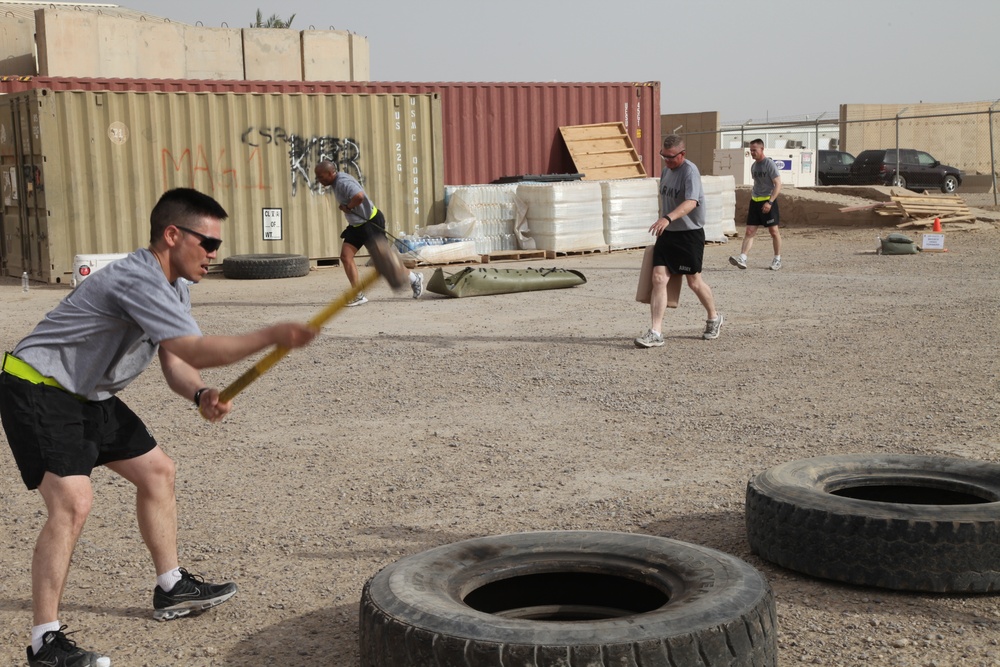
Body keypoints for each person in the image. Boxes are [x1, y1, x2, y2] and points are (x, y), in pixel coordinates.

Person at [0, 188, 318, 667]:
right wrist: (271, 335)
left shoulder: (175, 284)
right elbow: (196, 348)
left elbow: (176, 360)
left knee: (158, 472)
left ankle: (170, 588)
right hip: (40, 387)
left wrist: (198, 394)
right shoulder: (137, 278)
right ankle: (45, 642)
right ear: (172, 235)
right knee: (73, 503)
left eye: (218, 245)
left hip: (91, 395)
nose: (214, 254)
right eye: (207, 244)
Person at [635, 134, 724, 348]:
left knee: (694, 282)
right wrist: (664, 222)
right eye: (663, 156)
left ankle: (714, 317)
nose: (667, 161)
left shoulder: (690, 172)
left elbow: (691, 202)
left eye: (671, 157)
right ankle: (656, 332)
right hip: (668, 233)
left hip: (689, 234)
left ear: (682, 154)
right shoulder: (666, 170)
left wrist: (667, 218)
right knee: (658, 279)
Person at [314, 161, 424, 306]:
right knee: (346, 257)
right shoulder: (335, 182)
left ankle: (414, 279)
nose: (319, 180)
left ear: (330, 173)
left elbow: (359, 196)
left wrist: (348, 207)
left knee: (385, 262)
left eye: (320, 177)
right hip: (356, 225)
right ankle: (358, 294)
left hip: (370, 223)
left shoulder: (342, 182)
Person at [730, 138, 783, 270]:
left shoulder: (769, 164)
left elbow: (778, 184)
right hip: (755, 201)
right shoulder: (754, 166)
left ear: (762, 149)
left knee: (773, 231)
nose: (752, 152)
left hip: (768, 201)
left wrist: (770, 202)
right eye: (751, 150)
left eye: (754, 150)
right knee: (749, 231)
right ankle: (743, 258)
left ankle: (777, 259)